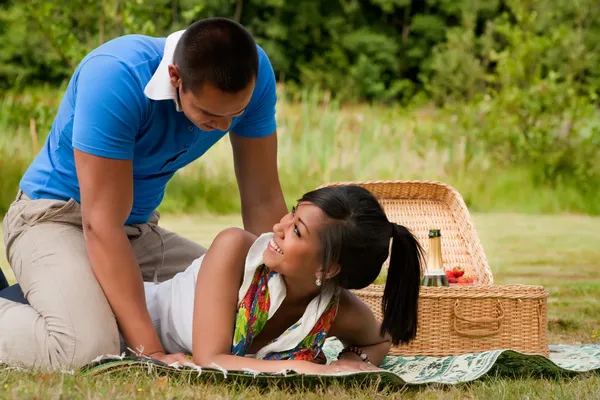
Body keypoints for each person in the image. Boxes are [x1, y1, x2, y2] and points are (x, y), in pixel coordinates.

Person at [0, 17, 287, 370]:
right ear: (175, 77)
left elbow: (262, 199)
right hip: (53, 219)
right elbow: (101, 225)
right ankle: (63, 307)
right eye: (211, 115)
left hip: (136, 232)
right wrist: (150, 352)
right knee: (86, 350)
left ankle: (50, 301)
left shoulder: (254, 74)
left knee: (238, 305)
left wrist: (289, 288)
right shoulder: (116, 75)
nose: (225, 126)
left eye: (236, 114)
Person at [2, 185, 423, 373]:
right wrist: (311, 371)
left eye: (296, 231)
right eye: (292, 214)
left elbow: (375, 340)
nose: (278, 226)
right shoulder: (235, 249)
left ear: (329, 270)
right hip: (111, 313)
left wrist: (353, 363)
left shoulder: (332, 310)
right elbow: (211, 359)